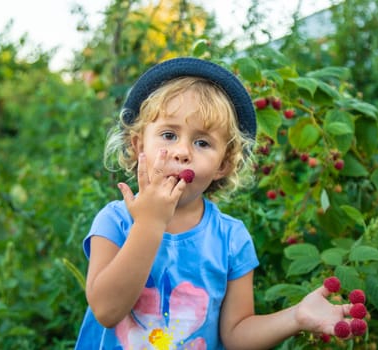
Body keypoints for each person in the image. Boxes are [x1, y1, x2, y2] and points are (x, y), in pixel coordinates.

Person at [75, 57, 352, 349]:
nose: (182, 152)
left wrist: (296, 317)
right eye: (169, 135)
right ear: (139, 146)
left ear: (224, 164)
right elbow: (106, 310)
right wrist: (150, 223)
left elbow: (236, 334)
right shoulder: (115, 221)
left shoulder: (231, 239)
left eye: (202, 143)